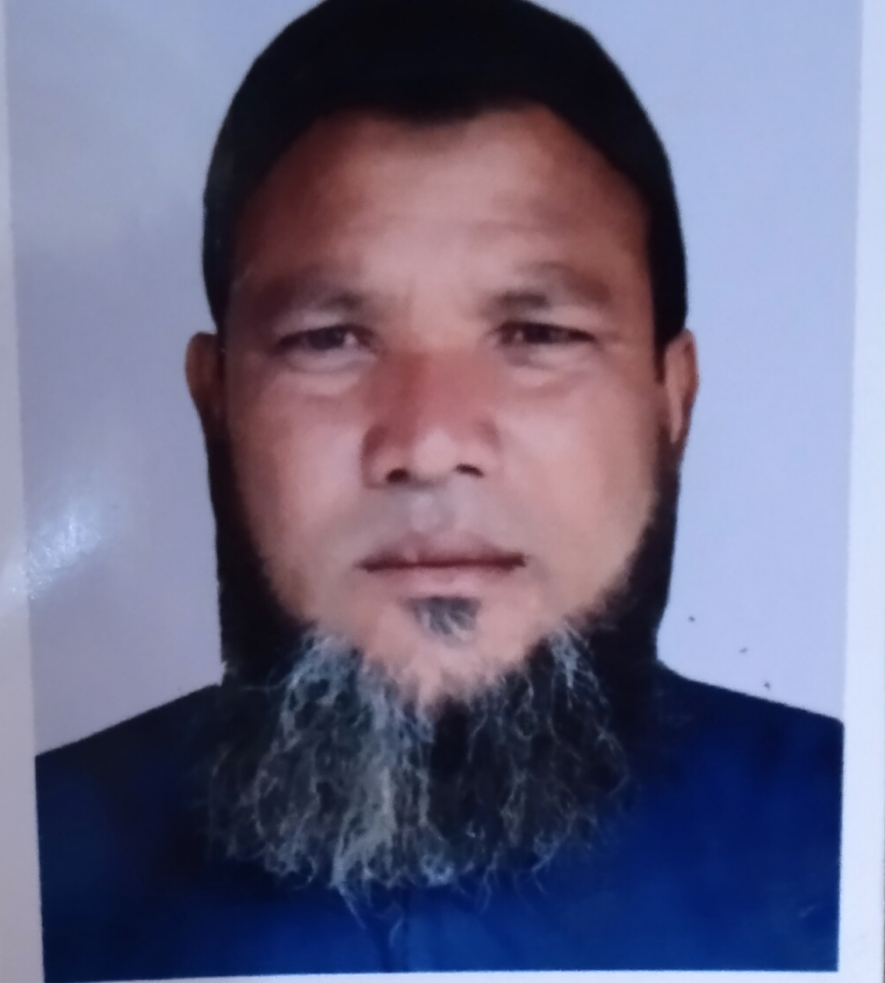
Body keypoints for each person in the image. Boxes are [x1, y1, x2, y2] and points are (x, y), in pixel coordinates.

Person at [35, 0, 843, 978]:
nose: (427, 442)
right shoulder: (34, 861)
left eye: (537, 335)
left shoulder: (847, 838)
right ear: (217, 401)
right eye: (329, 339)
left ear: (670, 401)